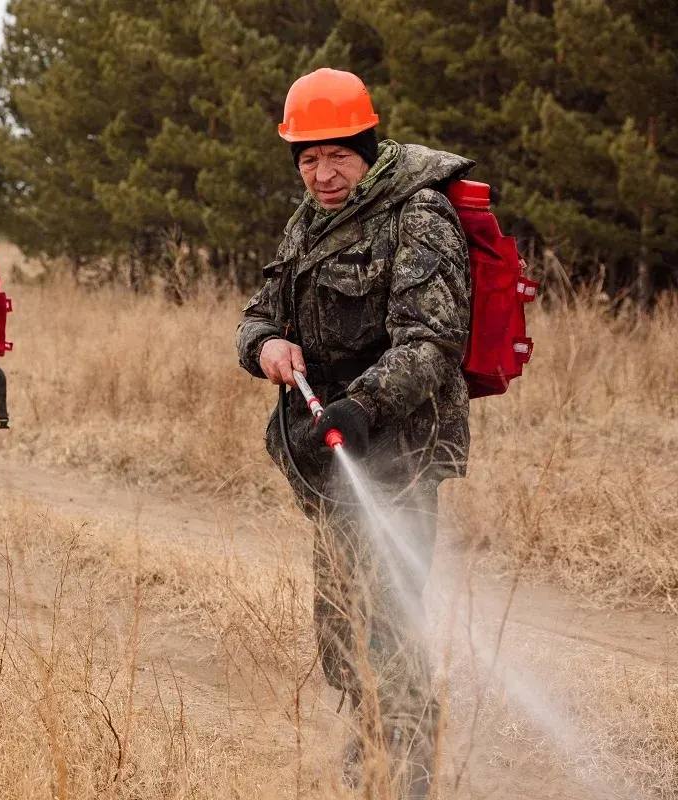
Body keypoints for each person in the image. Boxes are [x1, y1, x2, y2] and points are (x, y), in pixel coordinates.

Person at [236, 68, 471, 798]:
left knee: (389, 623)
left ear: (367, 147)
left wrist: (363, 406)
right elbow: (259, 309)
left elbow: (432, 342)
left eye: (338, 154)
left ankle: (406, 779)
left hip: (397, 451)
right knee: (342, 622)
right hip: (333, 456)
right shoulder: (309, 219)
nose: (323, 172)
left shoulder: (420, 215)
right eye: (308, 159)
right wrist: (265, 347)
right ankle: (368, 749)